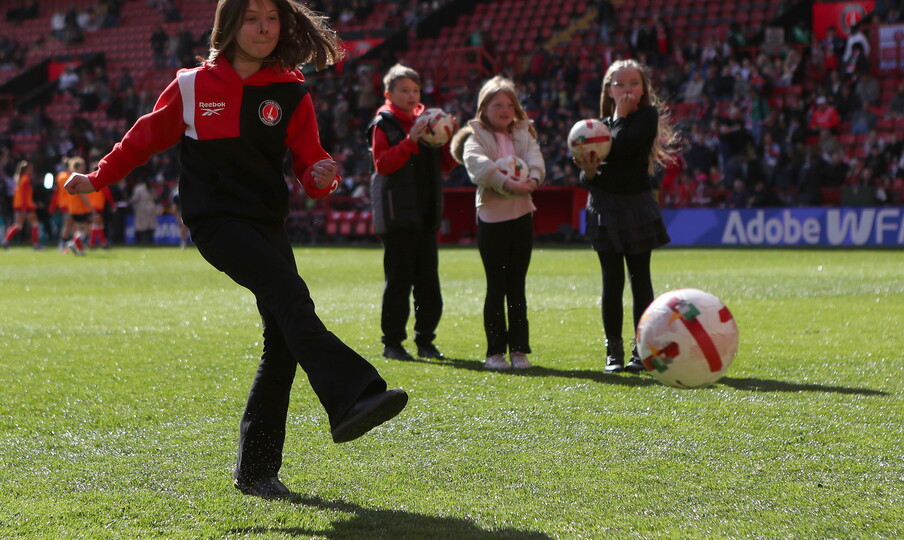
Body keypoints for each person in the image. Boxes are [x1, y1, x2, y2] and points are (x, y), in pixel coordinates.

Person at [64, 0, 408, 500]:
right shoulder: (191, 85)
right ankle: (354, 394)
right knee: (293, 301)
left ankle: (256, 472)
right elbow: (142, 140)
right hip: (215, 223)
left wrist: (321, 174)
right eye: (252, 17)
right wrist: (95, 178)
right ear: (229, 26)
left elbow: (311, 165)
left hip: (267, 223)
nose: (264, 27)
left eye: (271, 18)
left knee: (283, 339)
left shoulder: (291, 90)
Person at [571, 59, 678, 373]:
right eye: (620, 84)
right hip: (605, 206)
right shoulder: (598, 125)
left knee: (640, 279)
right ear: (609, 89)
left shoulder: (646, 116)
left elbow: (624, 145)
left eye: (634, 83)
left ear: (644, 88)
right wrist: (588, 172)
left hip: (636, 204)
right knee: (611, 282)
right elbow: (592, 174)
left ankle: (641, 349)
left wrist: (619, 117)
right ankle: (613, 352)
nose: (627, 89)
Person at [450, 76, 545, 370]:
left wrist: (532, 180)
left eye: (508, 104)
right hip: (492, 218)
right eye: (497, 104)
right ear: (484, 109)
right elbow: (477, 166)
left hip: (521, 216)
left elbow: (536, 160)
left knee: (517, 286)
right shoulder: (474, 135)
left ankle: (519, 350)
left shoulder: (524, 132)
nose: (504, 110)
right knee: (496, 286)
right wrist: (507, 183)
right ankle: (495, 352)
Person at [367, 63, 458, 362]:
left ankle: (426, 341)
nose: (411, 95)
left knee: (429, 284)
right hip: (397, 218)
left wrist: (451, 140)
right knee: (398, 282)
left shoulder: (429, 121)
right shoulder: (384, 124)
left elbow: (446, 166)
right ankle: (392, 342)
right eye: (404, 90)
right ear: (389, 94)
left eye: (415, 90)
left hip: (427, 215)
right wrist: (410, 141)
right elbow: (383, 164)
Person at [2, 160, 44, 250]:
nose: (31, 170)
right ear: (27, 169)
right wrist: (25, 208)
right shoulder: (26, 179)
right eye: (30, 169)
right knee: (34, 224)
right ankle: (36, 244)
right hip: (26, 206)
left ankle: (6, 240)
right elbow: (25, 195)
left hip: (18, 205)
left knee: (18, 225)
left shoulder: (18, 178)